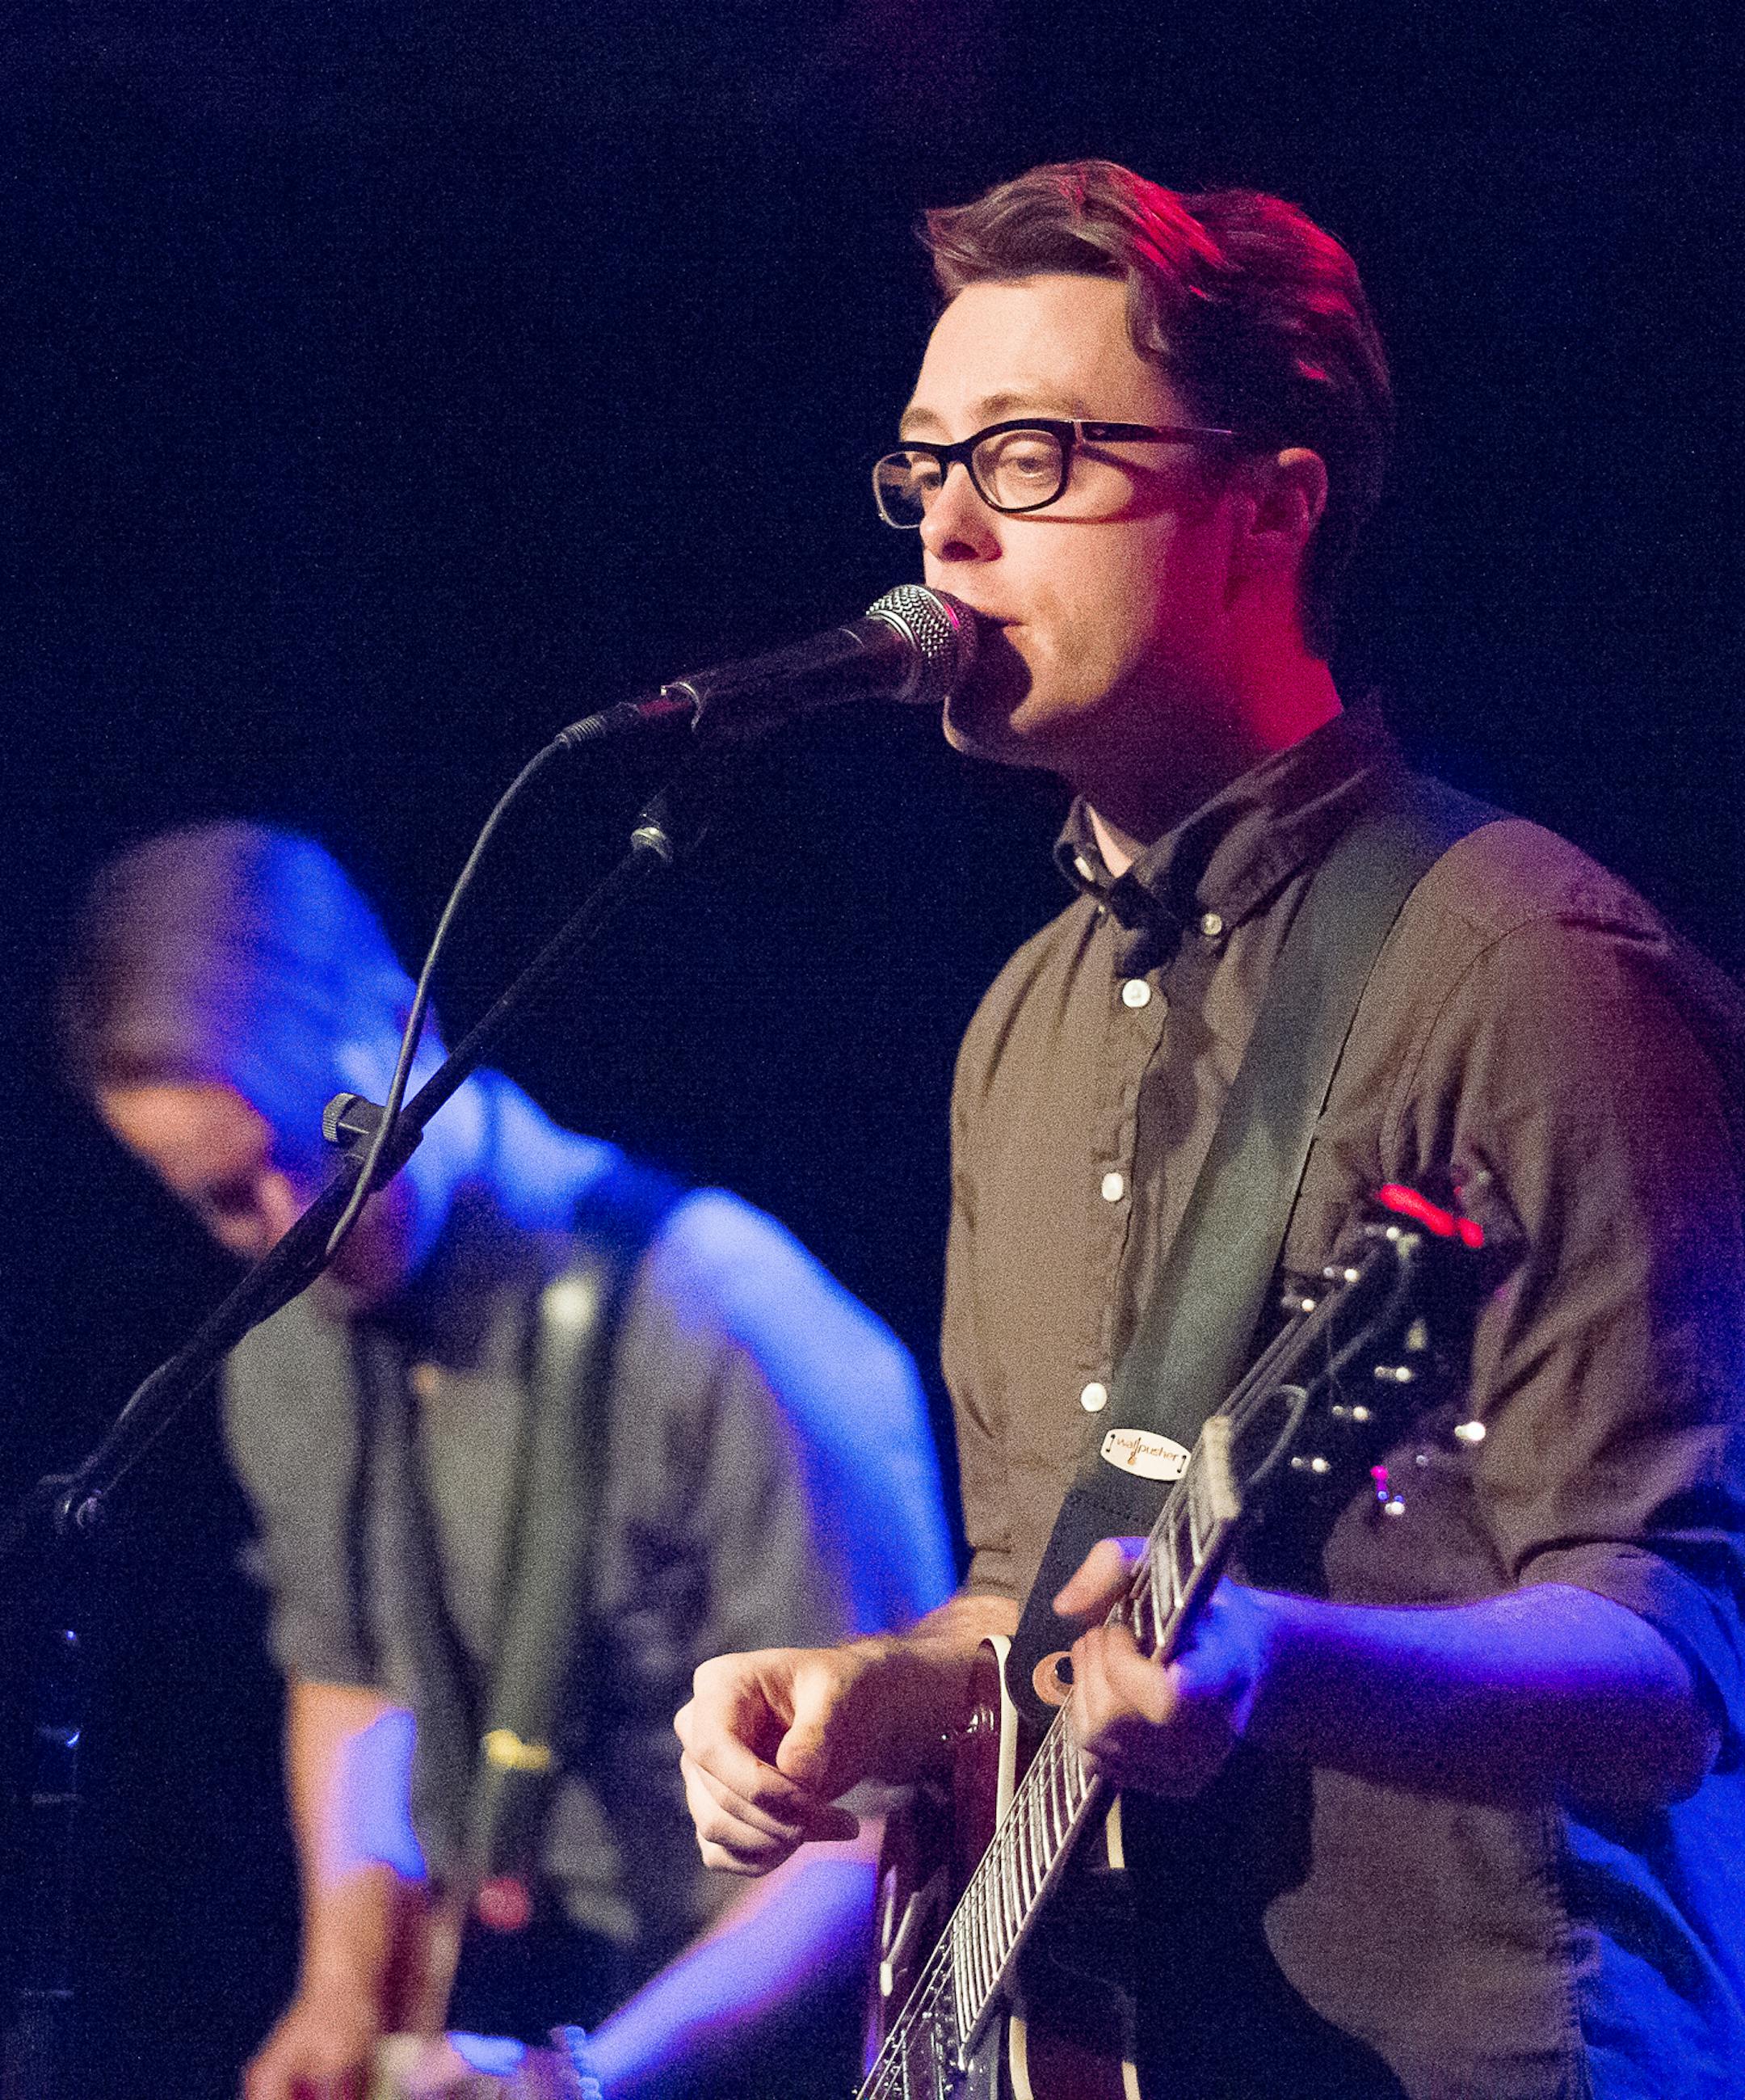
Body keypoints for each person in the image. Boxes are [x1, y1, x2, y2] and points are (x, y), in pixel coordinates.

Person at [675, 159, 1745, 2097]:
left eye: (1031, 457)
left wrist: (1276, 1663)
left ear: (1272, 506)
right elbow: (1035, 1597)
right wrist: (879, 1697)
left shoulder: (1532, 970)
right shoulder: (1021, 1024)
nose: (948, 535)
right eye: (927, 467)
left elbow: (1678, 1661)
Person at [57, 821, 955, 2100]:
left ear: (402, 1024)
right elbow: (349, 1672)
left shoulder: (731, 1322)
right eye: (219, 1202)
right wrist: (338, 1990)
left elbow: (882, 1827)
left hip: (755, 2044)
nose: (285, 1235)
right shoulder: (286, 1334)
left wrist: (589, 2076)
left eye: (311, 1158)